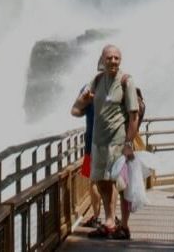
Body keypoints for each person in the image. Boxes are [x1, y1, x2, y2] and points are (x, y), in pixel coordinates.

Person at [86, 45, 141, 240]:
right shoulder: (97, 79)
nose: (113, 61)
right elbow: (79, 106)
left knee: (122, 184)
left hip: (118, 143)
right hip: (98, 142)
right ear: (102, 59)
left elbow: (134, 115)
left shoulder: (126, 81)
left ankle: (124, 226)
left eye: (117, 58)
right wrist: (83, 101)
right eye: (109, 58)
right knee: (102, 182)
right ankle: (109, 222)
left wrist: (128, 142)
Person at [70, 56, 109, 228]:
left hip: (91, 142)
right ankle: (111, 217)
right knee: (111, 180)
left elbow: (75, 112)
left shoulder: (88, 88)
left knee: (94, 180)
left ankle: (97, 216)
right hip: (112, 142)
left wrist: (87, 108)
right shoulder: (116, 87)